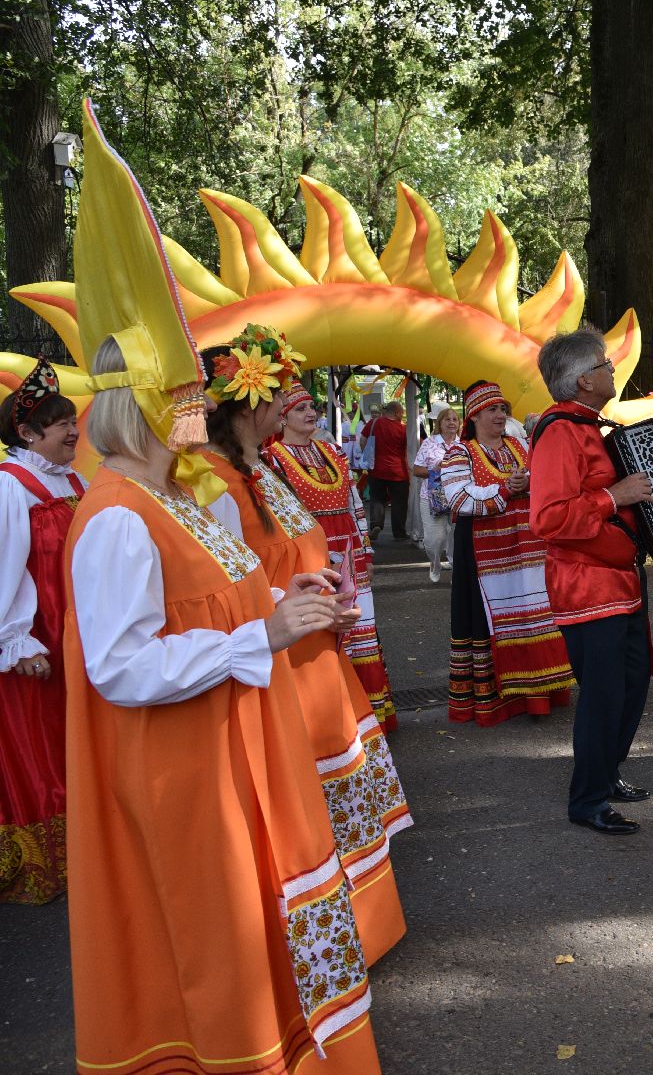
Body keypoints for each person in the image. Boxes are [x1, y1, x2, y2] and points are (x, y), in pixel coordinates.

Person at [61, 107, 381, 1072]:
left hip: (235, 744)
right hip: (186, 766)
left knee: (269, 925)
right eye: (188, 396)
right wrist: (267, 633)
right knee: (216, 947)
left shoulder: (177, 499)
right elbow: (120, 667)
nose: (203, 409)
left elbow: (232, 593)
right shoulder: (119, 515)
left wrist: (283, 613)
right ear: (153, 407)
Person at [201, 327, 413, 964]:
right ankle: (325, 942)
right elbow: (226, 592)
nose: (289, 401)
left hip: (319, 662)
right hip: (282, 670)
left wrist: (325, 597)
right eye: (278, 391)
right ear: (251, 402)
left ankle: (361, 927)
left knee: (338, 805)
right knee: (306, 817)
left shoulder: (261, 468)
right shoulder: (216, 484)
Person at [530, 327, 653, 835]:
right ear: (584, 380)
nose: (611, 372)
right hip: (586, 587)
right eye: (604, 366)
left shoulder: (586, 426)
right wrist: (615, 497)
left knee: (632, 684)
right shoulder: (560, 432)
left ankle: (607, 773)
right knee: (604, 694)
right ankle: (588, 800)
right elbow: (548, 518)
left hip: (616, 582)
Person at [440, 380, 574, 726]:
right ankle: (498, 699)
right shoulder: (460, 452)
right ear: (474, 415)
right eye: (491, 410)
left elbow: (544, 479)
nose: (499, 415)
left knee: (533, 610)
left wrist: (529, 483)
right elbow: (458, 498)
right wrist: (504, 488)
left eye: (502, 409)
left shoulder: (519, 445)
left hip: (527, 547)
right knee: (491, 618)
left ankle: (541, 690)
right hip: (484, 552)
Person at [265, 382, 398, 731]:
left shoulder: (333, 451)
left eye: (312, 405)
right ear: (281, 417)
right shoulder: (273, 459)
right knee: (328, 634)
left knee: (361, 627)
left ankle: (370, 718)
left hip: (350, 553)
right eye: (300, 408)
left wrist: (365, 547)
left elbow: (355, 503)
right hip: (313, 560)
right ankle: (335, 722)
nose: (311, 412)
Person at [0, 359, 81, 904]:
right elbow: (5, 565)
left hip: (75, 633)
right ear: (27, 432)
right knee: (42, 750)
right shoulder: (11, 486)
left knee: (72, 742)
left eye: (73, 420)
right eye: (61, 425)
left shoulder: (75, 479)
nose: (74, 431)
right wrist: (16, 639)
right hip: (37, 640)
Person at [411, 406, 461, 582]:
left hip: (457, 496)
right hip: (432, 497)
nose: (451, 423)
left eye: (455, 419)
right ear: (440, 423)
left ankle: (457, 569)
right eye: (447, 419)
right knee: (435, 539)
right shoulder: (430, 443)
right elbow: (416, 470)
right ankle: (434, 561)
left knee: (457, 536)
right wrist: (436, 470)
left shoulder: (463, 444)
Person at [362, 400, 409, 540]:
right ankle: (399, 533)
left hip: (376, 468)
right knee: (399, 502)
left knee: (377, 498)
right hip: (398, 471)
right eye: (402, 412)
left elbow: (363, 440)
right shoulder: (403, 429)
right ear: (397, 412)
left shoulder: (373, 423)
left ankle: (376, 524)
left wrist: (368, 455)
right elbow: (409, 449)